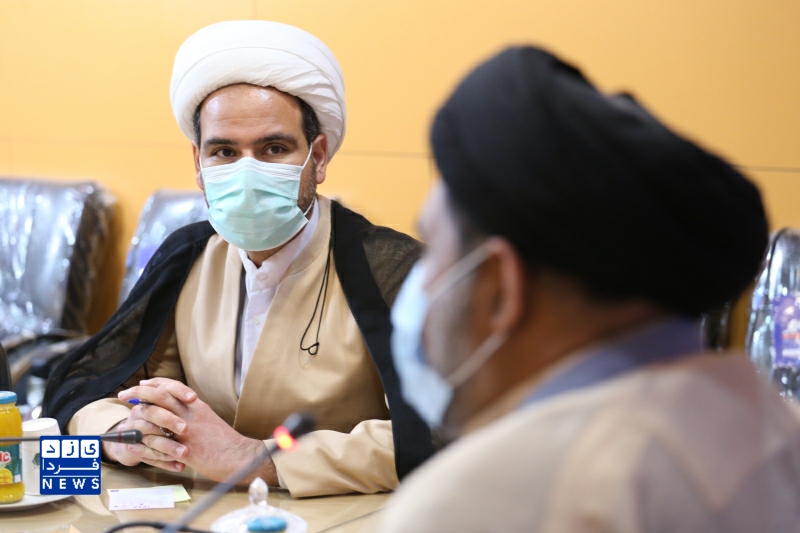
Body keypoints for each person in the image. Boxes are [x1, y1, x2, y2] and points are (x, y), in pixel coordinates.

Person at [379, 46, 800, 532]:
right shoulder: (773, 427)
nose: (420, 285)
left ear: (501, 287)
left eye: (433, 248)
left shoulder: (477, 502)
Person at [42, 21, 433, 498]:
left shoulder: (391, 268)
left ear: (318, 157)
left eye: (274, 148)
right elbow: (84, 387)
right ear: (198, 164)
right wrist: (123, 431)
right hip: (205, 515)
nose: (247, 172)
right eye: (224, 151)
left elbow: (445, 432)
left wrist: (254, 460)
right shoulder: (187, 256)